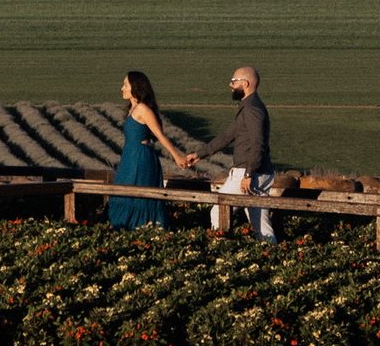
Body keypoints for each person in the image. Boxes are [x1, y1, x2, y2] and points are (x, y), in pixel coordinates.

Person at [185, 65, 275, 241]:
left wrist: (248, 174)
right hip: (258, 172)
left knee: (219, 211)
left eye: (234, 81)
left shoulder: (252, 110)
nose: (230, 84)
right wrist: (200, 154)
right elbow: (227, 136)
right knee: (260, 225)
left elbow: (258, 145)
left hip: (248, 173)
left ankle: (222, 247)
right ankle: (272, 252)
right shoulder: (249, 108)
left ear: (246, 83)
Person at [108, 71, 190, 230]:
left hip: (140, 159)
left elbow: (160, 134)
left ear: (135, 87)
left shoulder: (142, 109)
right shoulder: (132, 109)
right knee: (122, 194)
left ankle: (142, 231)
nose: (122, 88)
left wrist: (177, 156)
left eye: (125, 85)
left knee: (137, 197)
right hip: (130, 157)